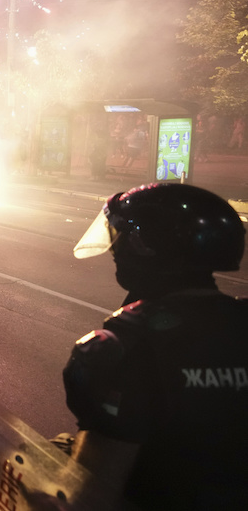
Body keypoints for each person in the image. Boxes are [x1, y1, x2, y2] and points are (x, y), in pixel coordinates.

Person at [59, 183, 247, 510]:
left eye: (121, 238)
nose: (116, 250)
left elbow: (92, 494)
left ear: (143, 245)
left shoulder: (126, 345)